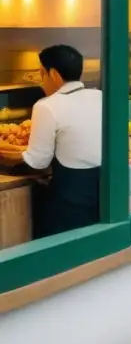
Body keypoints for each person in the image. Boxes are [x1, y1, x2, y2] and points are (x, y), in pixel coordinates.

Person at [18, 45, 103, 237]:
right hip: (105, 194)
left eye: (42, 74)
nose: (42, 82)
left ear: (54, 74)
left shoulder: (47, 106)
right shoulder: (100, 97)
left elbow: (38, 161)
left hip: (71, 201)